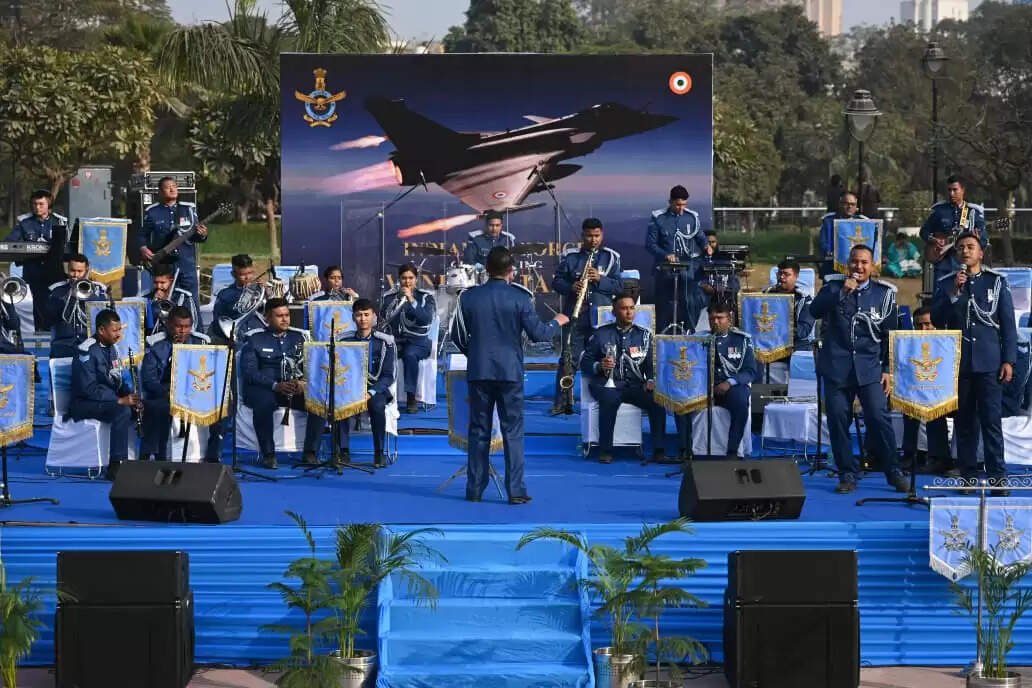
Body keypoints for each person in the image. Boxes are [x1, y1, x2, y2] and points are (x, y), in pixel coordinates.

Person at [452, 247, 569, 504]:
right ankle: (515, 490)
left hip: (480, 371)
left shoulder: (468, 298)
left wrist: (474, 354)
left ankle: (474, 489)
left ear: (485, 269)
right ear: (510, 271)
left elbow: (456, 336)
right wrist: (557, 322)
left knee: (479, 430)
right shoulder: (520, 297)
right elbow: (539, 334)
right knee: (512, 431)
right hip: (510, 372)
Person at [810, 244, 905, 494]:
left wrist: (887, 368)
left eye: (864, 262)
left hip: (869, 368)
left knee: (878, 418)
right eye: (854, 262)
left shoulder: (884, 295)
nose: (858, 267)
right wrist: (841, 292)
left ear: (872, 266)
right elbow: (814, 311)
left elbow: (890, 335)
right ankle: (847, 473)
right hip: (836, 368)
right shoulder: (832, 287)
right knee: (839, 421)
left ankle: (893, 470)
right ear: (847, 264)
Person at [932, 233, 1016, 494]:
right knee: (965, 423)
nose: (965, 251)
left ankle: (997, 478)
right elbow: (936, 317)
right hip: (960, 364)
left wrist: (1008, 360)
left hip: (990, 363)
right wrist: (955, 294)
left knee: (991, 422)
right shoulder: (947, 283)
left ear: (981, 253)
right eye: (961, 248)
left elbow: (1008, 326)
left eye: (970, 247)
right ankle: (967, 476)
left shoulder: (996, 283)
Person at [302, 298, 395, 468]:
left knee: (376, 406)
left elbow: (389, 376)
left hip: (373, 389)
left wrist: (371, 392)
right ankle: (343, 451)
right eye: (359, 315)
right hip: (348, 386)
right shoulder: (343, 340)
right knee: (340, 402)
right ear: (352, 317)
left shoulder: (385, 342)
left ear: (373, 316)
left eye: (366, 315)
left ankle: (379, 452)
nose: (363, 319)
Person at [580, 293, 666, 464]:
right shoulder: (601, 334)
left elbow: (651, 365)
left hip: (634, 385)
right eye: (624, 308)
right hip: (606, 384)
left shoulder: (644, 335)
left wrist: (650, 380)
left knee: (657, 400)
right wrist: (599, 366)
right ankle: (606, 450)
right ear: (614, 311)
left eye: (632, 308)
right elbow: (585, 362)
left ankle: (659, 451)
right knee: (609, 398)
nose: (629, 312)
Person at [550, 218, 622, 414]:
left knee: (606, 357)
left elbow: (620, 286)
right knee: (568, 359)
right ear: (582, 236)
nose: (593, 240)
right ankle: (562, 403)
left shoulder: (612, 258)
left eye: (597, 235)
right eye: (589, 236)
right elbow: (556, 282)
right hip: (576, 316)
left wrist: (600, 279)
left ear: (602, 235)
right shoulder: (571, 257)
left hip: (602, 317)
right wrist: (571, 286)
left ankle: (608, 399)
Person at [677, 301, 756, 459]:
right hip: (703, 388)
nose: (716, 322)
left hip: (731, 389)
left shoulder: (742, 340)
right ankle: (686, 450)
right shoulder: (698, 339)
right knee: (680, 400)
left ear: (729, 319)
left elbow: (750, 371)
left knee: (741, 400)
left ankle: (733, 451)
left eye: (720, 318)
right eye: (712, 318)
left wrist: (730, 382)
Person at [140, 306, 220, 461]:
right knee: (159, 409)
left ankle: (213, 455)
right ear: (169, 325)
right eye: (178, 326)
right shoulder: (156, 346)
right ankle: (156, 455)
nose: (182, 331)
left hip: (196, 392)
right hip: (164, 393)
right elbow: (149, 380)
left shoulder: (201, 343)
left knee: (221, 408)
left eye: (186, 327)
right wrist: (168, 393)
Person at [239, 298, 310, 469]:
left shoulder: (298, 338)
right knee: (264, 403)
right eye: (279, 316)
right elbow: (249, 372)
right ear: (267, 318)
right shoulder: (254, 340)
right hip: (264, 389)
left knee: (320, 400)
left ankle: (311, 453)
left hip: (293, 388)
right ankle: (269, 454)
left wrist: (303, 383)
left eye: (287, 315)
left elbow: (309, 365)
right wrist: (274, 385)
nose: (285, 319)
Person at [71, 309, 141, 479]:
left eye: (120, 330)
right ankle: (116, 465)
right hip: (85, 403)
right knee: (121, 411)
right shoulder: (86, 351)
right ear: (102, 330)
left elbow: (117, 380)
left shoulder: (113, 348)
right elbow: (87, 389)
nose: (119, 334)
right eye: (115, 330)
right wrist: (119, 400)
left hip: (105, 399)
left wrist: (132, 396)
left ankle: (147, 457)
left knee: (143, 407)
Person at [646, 184, 712, 334]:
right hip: (664, 269)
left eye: (684, 205)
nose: (681, 208)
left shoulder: (692, 217)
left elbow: (700, 236)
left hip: (687, 270)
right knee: (664, 305)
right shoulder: (658, 218)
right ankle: (663, 336)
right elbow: (650, 245)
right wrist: (665, 255)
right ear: (670, 201)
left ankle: (689, 333)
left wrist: (706, 246)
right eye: (678, 205)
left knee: (689, 302)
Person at [900, 306, 954, 476]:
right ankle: (910, 454)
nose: (923, 329)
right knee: (908, 405)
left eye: (927, 324)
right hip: (916, 387)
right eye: (919, 325)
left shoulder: (947, 343)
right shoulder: (908, 344)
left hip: (944, 391)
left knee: (935, 410)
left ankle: (940, 458)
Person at [138, 176, 208, 306]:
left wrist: (203, 234)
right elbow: (142, 235)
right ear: (160, 191)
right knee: (165, 300)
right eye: (167, 187)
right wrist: (143, 248)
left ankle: (196, 326)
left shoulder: (188, 209)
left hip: (186, 264)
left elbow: (196, 237)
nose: (172, 189)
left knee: (191, 300)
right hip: (165, 266)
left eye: (174, 186)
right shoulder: (153, 212)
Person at [6, 190, 68, 330]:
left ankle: (57, 332)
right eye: (34, 204)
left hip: (55, 273)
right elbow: (9, 244)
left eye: (41, 204)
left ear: (48, 205)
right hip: (34, 272)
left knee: (56, 303)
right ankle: (40, 335)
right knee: (39, 305)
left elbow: (66, 246)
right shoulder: (24, 223)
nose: (37, 207)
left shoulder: (59, 222)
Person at [380, 263, 435, 413]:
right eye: (404, 278)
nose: (407, 282)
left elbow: (425, 319)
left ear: (416, 279)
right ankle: (382, 396)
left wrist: (411, 299)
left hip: (419, 342)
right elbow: (383, 319)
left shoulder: (425, 297)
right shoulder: (389, 297)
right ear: (399, 279)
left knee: (410, 355)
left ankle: (411, 398)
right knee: (382, 353)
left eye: (410, 278)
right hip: (396, 341)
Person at [921, 175, 987, 284]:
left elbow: (984, 241)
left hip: (965, 265)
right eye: (949, 190)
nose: (951, 193)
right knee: (940, 296)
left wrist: (977, 241)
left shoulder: (973, 213)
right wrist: (933, 240)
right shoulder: (940, 211)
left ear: (963, 190)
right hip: (943, 263)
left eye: (955, 190)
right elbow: (924, 231)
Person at [762, 259, 816, 383]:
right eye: (779, 274)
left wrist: (777, 329)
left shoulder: (805, 300)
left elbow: (804, 331)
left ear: (796, 277)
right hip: (769, 346)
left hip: (796, 347)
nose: (781, 277)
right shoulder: (765, 295)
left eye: (786, 274)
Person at [47, 253, 107, 359]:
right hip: (64, 344)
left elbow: (103, 316)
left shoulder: (98, 290)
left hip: (90, 343)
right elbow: (50, 319)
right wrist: (70, 297)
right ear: (67, 270)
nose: (75, 275)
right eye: (72, 270)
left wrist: (89, 294)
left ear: (87, 271)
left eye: (80, 271)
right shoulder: (57, 291)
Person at [209, 254, 265, 344]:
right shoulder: (225, 294)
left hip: (258, 335)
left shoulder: (260, 291)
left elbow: (270, 314)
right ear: (233, 274)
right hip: (236, 338)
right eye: (242, 274)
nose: (247, 277)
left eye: (250, 273)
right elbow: (218, 321)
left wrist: (268, 295)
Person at [818, 191, 867, 279]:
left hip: (857, 268)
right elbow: (823, 243)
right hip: (833, 266)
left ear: (856, 206)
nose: (849, 207)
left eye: (853, 204)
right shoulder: (828, 221)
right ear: (840, 204)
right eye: (846, 203)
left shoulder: (864, 222)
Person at [143, 264, 199, 337]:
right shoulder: (147, 298)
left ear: (171, 281)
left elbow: (192, 325)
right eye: (155, 283)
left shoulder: (184, 298)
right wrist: (153, 305)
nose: (159, 286)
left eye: (162, 283)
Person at [699, 230, 741, 319]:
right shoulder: (697, 259)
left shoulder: (725, 259)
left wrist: (725, 288)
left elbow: (734, 283)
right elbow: (695, 280)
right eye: (707, 243)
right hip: (703, 295)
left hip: (724, 293)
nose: (710, 245)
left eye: (713, 242)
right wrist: (704, 285)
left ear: (717, 242)